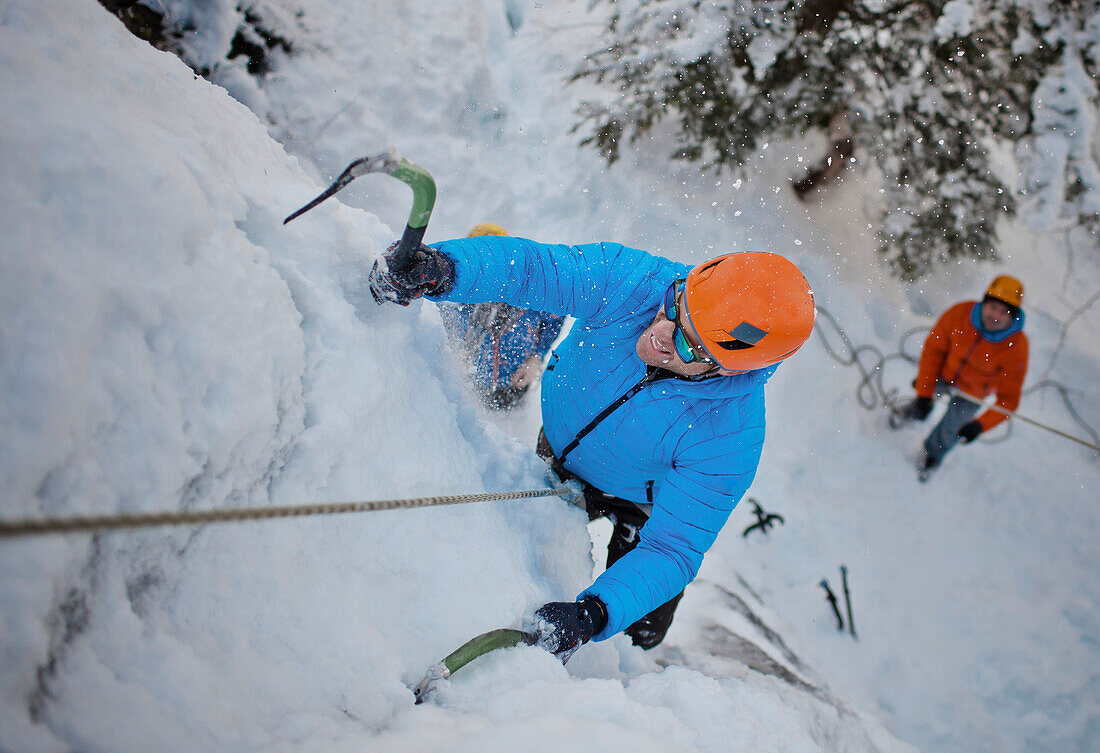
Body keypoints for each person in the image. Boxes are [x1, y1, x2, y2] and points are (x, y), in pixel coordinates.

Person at [368, 235, 816, 661]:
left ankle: (629, 636)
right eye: (676, 307)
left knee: (640, 631)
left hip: (641, 503)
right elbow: (533, 269)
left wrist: (592, 616)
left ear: (726, 370)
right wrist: (445, 268)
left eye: (686, 343)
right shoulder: (635, 282)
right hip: (562, 451)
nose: (661, 331)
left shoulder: (728, 437)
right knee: (517, 544)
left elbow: (673, 550)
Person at [890, 275, 1029, 481]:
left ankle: (932, 455)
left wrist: (980, 425)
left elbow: (1008, 401)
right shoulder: (960, 314)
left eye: (1003, 312)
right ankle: (913, 411)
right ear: (984, 303)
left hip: (972, 393)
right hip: (944, 373)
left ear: (1012, 317)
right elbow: (933, 351)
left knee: (951, 430)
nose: (996, 316)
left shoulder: (1016, 347)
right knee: (922, 392)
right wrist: (924, 394)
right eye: (993, 307)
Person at [438, 223, 565, 410]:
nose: (486, 266)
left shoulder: (527, 294)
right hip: (467, 390)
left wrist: (537, 357)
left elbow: (556, 315)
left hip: (515, 385)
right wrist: (449, 356)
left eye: (492, 257)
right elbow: (434, 330)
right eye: (478, 258)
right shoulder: (455, 297)